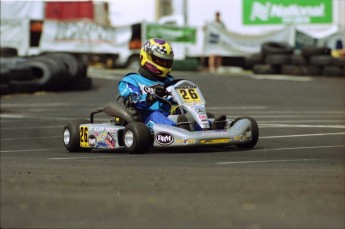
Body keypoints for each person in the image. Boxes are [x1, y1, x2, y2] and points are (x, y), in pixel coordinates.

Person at [118, 38, 226, 131]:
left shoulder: (169, 81)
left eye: (167, 62)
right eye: (160, 61)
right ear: (146, 57)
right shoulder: (131, 80)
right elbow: (133, 101)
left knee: (190, 117)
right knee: (156, 116)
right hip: (145, 121)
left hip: (172, 117)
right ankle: (180, 129)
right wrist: (151, 96)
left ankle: (210, 127)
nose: (164, 65)